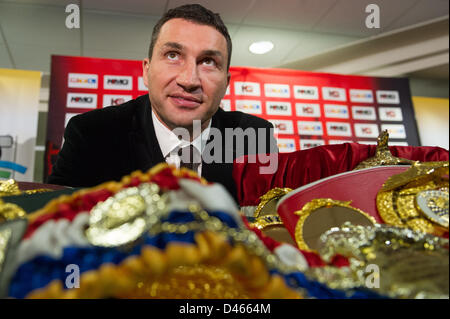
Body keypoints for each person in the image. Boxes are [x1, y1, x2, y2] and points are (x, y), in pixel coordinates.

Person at [47, 4, 277, 201]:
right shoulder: (92, 135)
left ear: (226, 83)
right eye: (173, 55)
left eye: (208, 61)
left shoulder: (255, 138)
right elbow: (52, 225)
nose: (189, 80)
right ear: (146, 71)